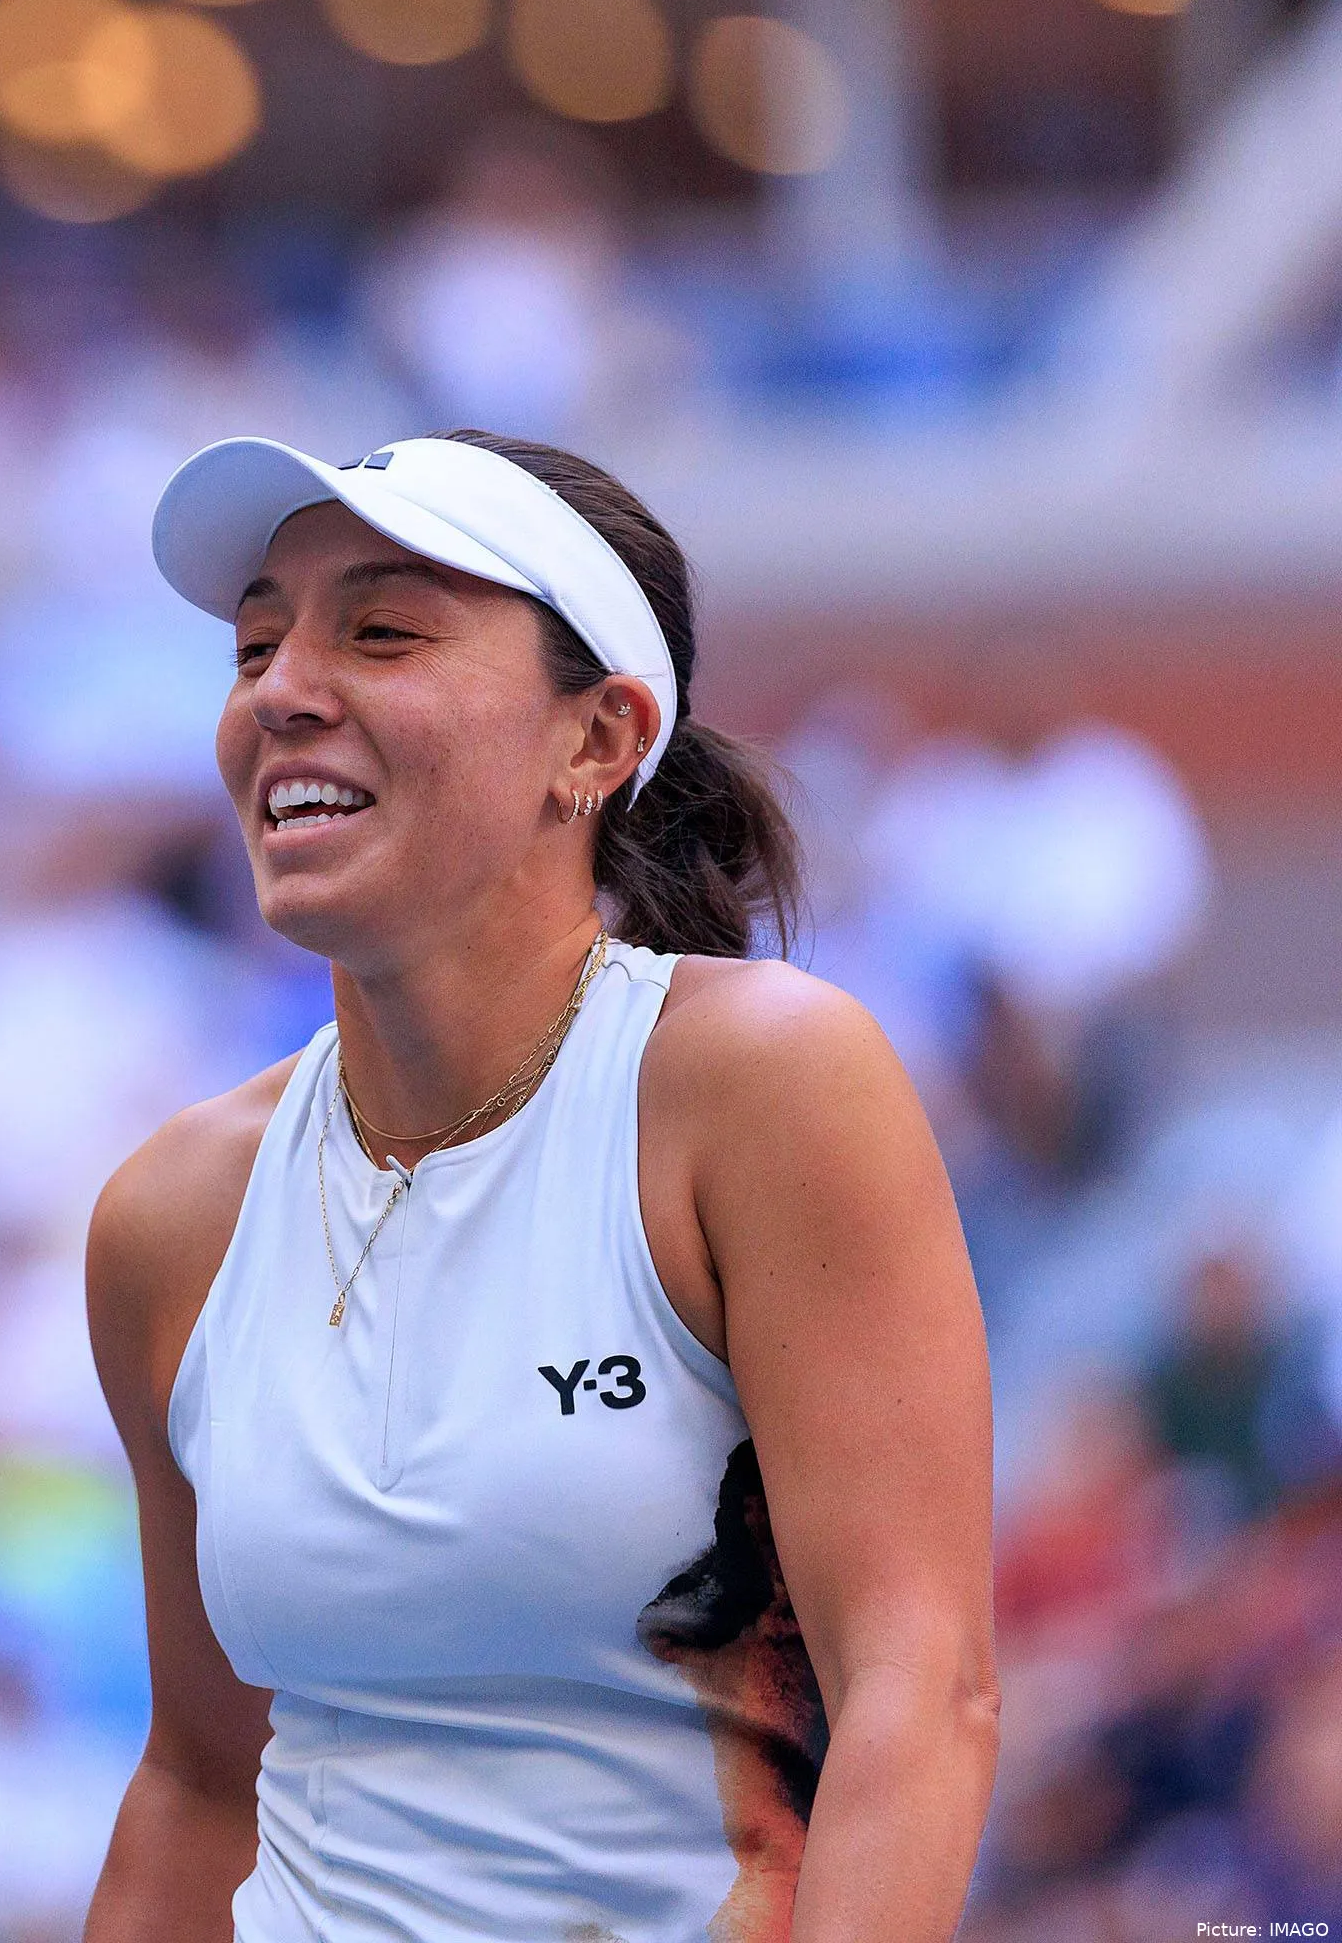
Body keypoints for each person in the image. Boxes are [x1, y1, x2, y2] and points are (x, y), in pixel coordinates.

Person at [82, 431, 999, 1939]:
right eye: (256, 644)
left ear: (598, 742)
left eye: (379, 630)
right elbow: (196, 1781)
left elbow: (924, 1692)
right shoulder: (167, 1214)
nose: (281, 690)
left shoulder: (761, 1081)